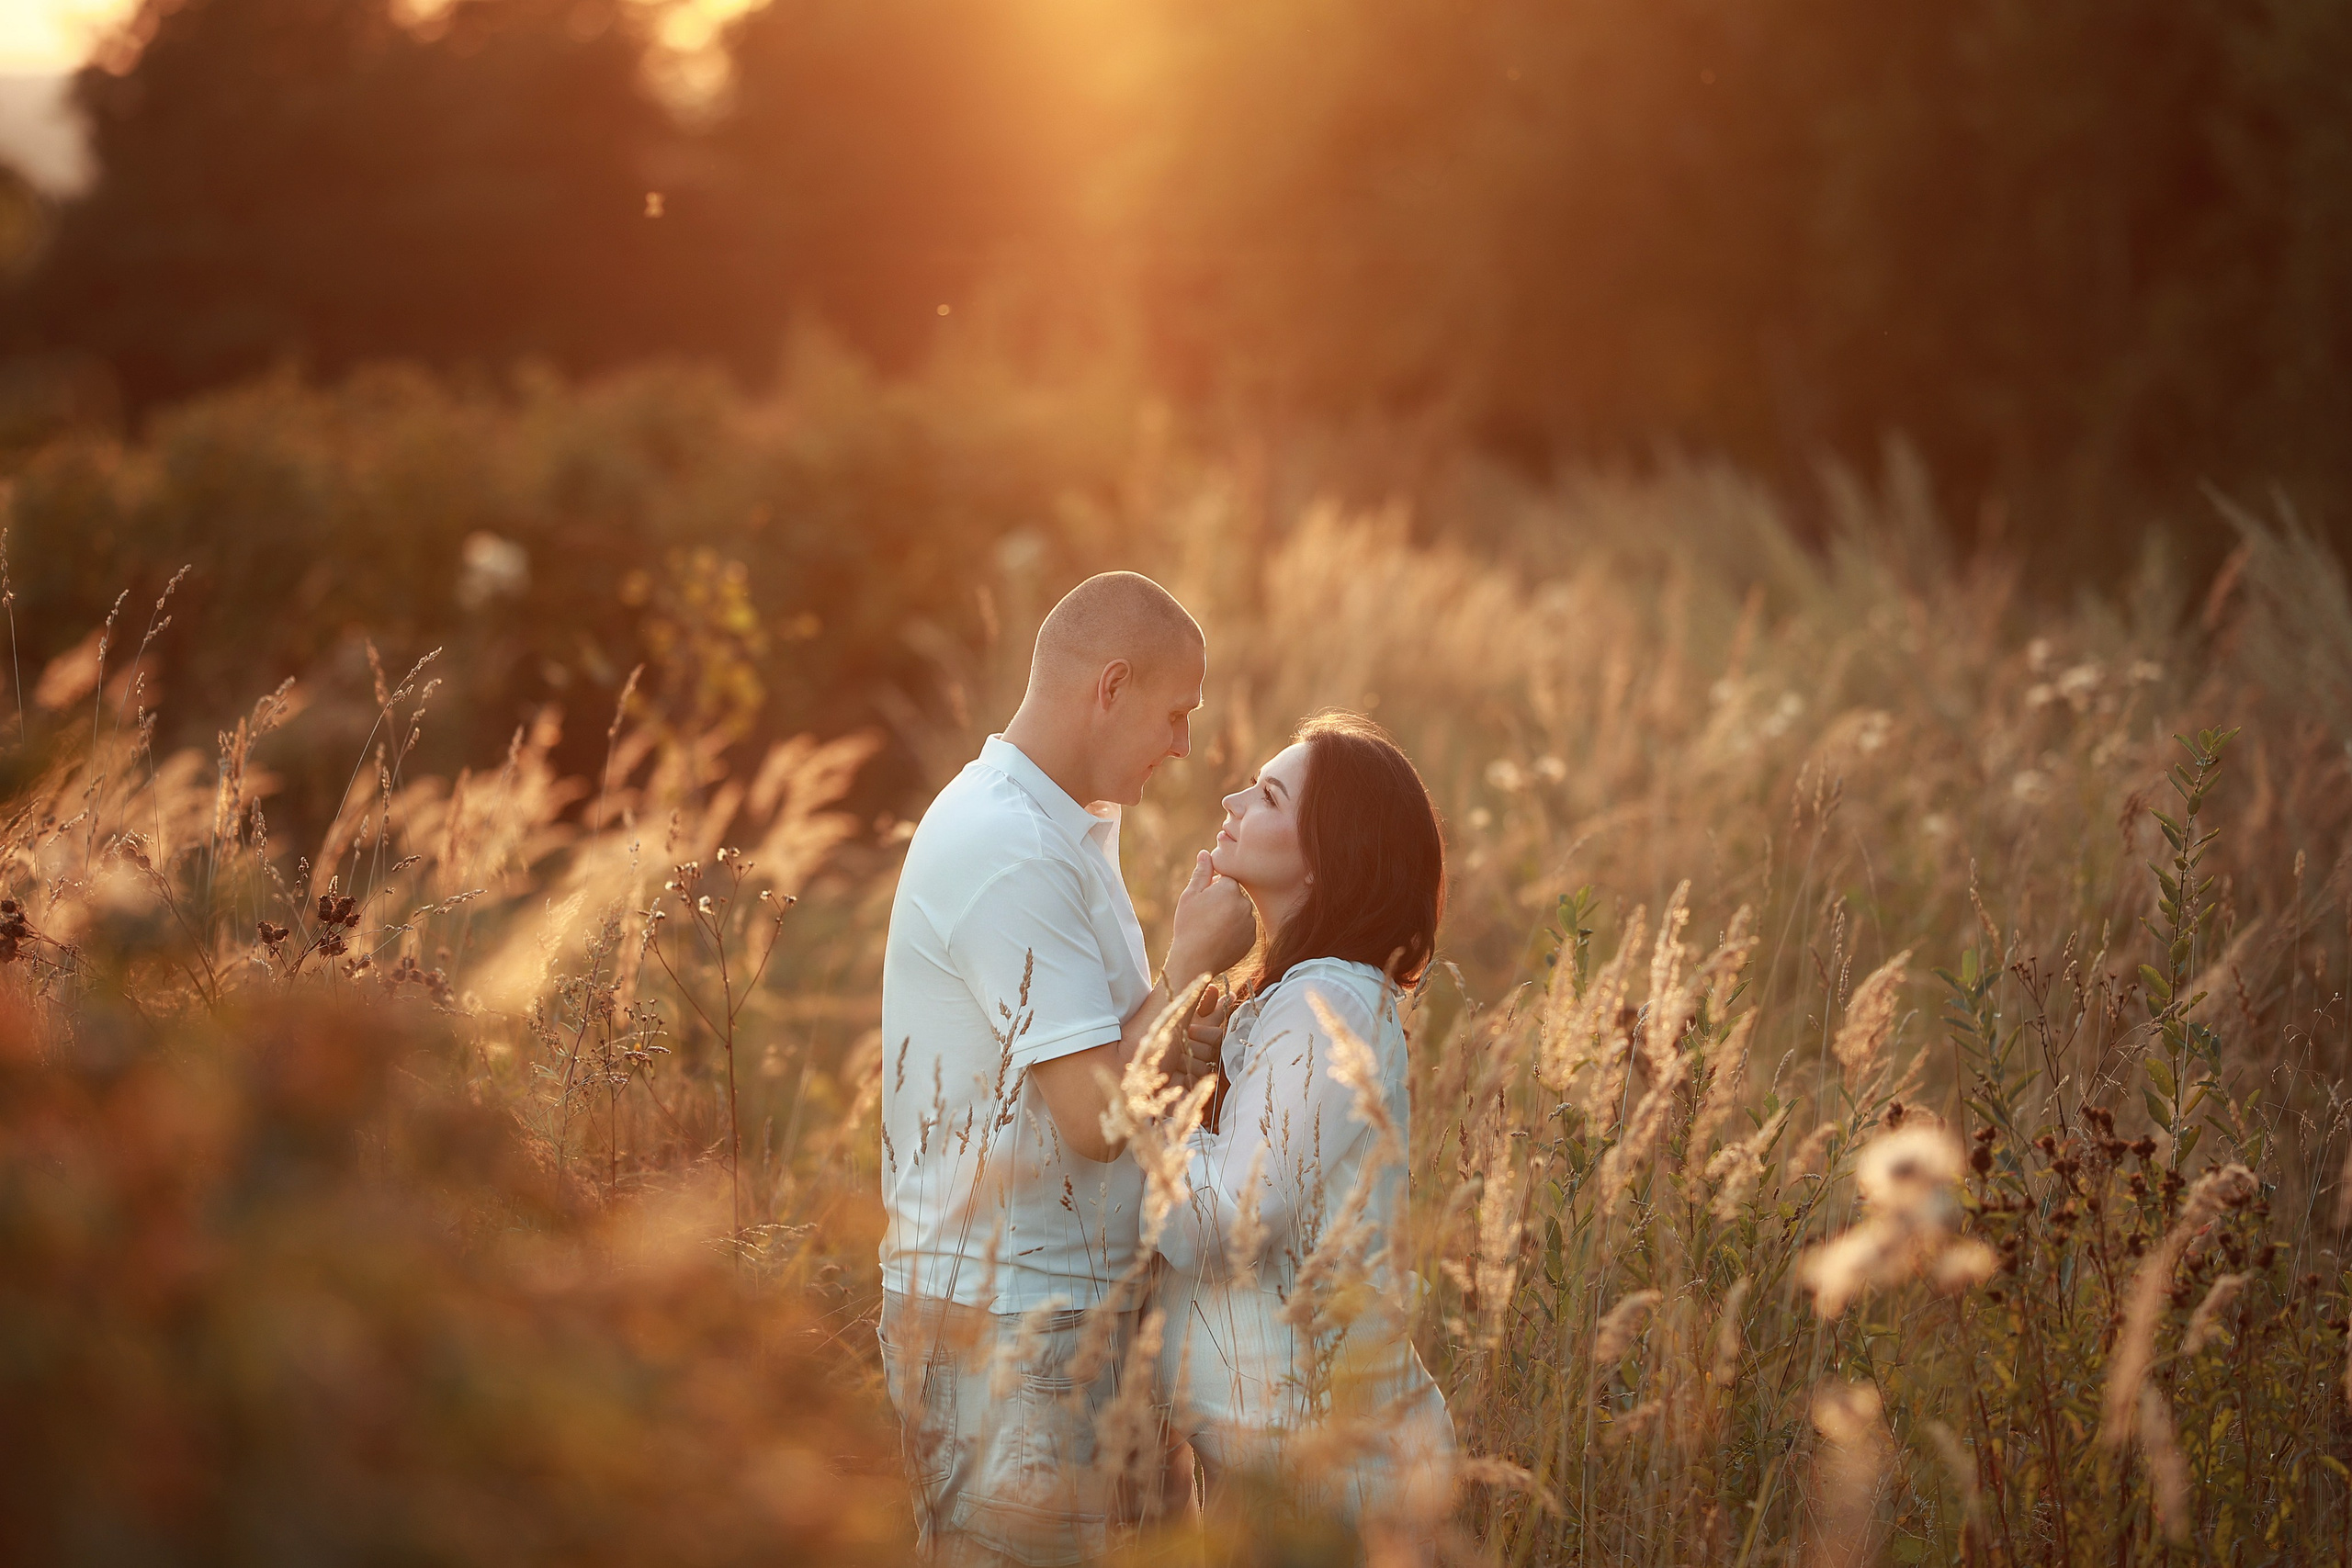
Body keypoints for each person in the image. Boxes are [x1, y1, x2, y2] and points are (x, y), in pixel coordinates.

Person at [876, 571, 1257, 1565]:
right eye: (1175, 715)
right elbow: (1093, 1117)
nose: (1182, 746)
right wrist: (1187, 960)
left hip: (1089, 1314)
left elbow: (1107, 1068)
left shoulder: (1064, 829)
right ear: (1111, 686)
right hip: (1014, 1336)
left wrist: (1205, 1029)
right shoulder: (1009, 846)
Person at [1153, 710, 1458, 1555]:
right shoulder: (1310, 1004)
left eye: (1269, 793)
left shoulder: (1323, 1007)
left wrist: (1143, 1100)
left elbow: (1227, 1221)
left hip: (1325, 1476)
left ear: (1327, 857)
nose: (1232, 796)